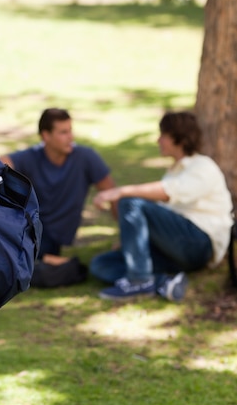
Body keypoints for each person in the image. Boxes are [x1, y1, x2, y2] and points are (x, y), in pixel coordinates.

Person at [90, 111, 233, 302]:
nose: (159, 140)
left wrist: (121, 191)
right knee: (101, 264)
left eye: (164, 135)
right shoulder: (173, 172)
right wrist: (131, 243)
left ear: (180, 138)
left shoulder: (202, 166)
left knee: (130, 202)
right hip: (175, 247)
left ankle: (139, 281)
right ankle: (162, 282)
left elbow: (169, 192)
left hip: (199, 243)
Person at [1, 108, 116, 266]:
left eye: (70, 131)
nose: (71, 137)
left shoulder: (85, 157)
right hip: (31, 228)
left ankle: (58, 264)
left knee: (19, 259)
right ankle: (55, 263)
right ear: (45, 136)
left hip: (53, 237)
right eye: (63, 132)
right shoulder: (33, 156)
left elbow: (114, 194)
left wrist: (124, 237)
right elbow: (0, 165)